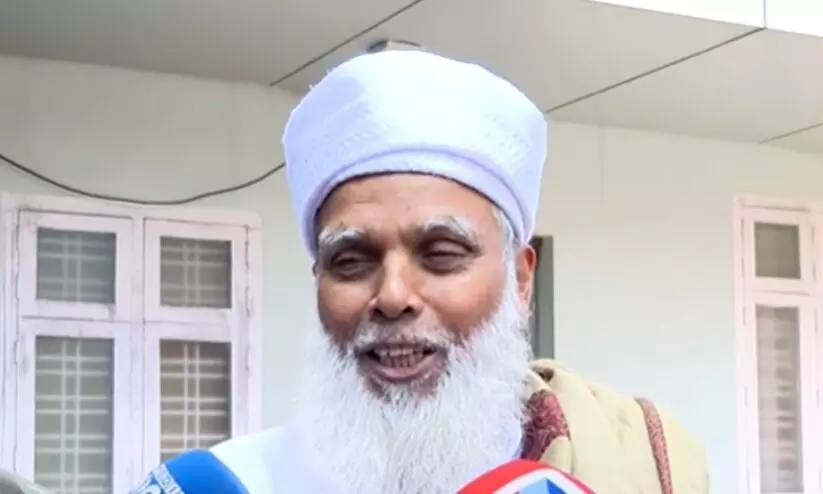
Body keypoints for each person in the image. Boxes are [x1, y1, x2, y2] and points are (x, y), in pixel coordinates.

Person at [213, 50, 708, 493]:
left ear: (520, 280)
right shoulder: (244, 481)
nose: (393, 296)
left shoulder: (642, 466)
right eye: (351, 261)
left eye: (441, 254)